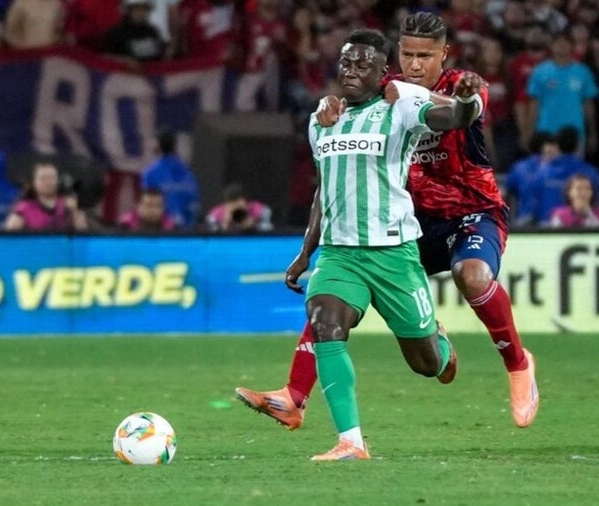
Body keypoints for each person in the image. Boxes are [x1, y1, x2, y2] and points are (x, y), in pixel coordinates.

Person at [236, 13, 538, 437]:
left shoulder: (462, 85)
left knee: (471, 274)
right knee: (332, 294)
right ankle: (295, 393)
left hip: (472, 211)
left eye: (425, 56)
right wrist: (330, 105)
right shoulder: (383, 87)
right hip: (413, 222)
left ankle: (518, 364)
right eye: (407, 54)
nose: (414, 65)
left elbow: (465, 112)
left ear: (444, 54)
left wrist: (447, 98)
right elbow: (344, 126)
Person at [279, 28, 495, 461]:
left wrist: (468, 101)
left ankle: (442, 348)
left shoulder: (401, 106)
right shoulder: (323, 119)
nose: (351, 71)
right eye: (346, 62)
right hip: (340, 254)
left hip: (393, 253)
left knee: (425, 363)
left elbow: (453, 118)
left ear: (383, 73)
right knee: (324, 323)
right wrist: (306, 252)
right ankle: (350, 441)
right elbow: (324, 190)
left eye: (363, 65)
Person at [525, 31, 598, 153]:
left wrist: (592, 133)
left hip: (575, 134)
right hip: (546, 133)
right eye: (558, 43)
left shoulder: (583, 71)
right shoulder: (539, 72)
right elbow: (534, 106)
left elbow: (588, 106)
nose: (561, 46)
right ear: (551, 46)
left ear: (572, 46)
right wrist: (528, 133)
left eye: (565, 43)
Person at [141, 129, 200, 228]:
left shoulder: (150, 173)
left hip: (162, 230)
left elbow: (148, 204)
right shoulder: (188, 171)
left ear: (157, 144)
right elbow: (194, 201)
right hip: (188, 229)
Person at [4, 162, 88, 231]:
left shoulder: (69, 205)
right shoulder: (23, 209)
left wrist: (76, 211)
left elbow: (83, 235)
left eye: (52, 178)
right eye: (43, 178)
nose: (48, 182)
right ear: (33, 182)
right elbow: (8, 239)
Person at [204, 183, 272, 233]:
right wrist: (223, 226)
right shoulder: (217, 213)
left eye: (239, 207)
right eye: (233, 207)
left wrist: (254, 226)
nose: (236, 210)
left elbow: (268, 226)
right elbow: (209, 229)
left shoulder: (254, 208)